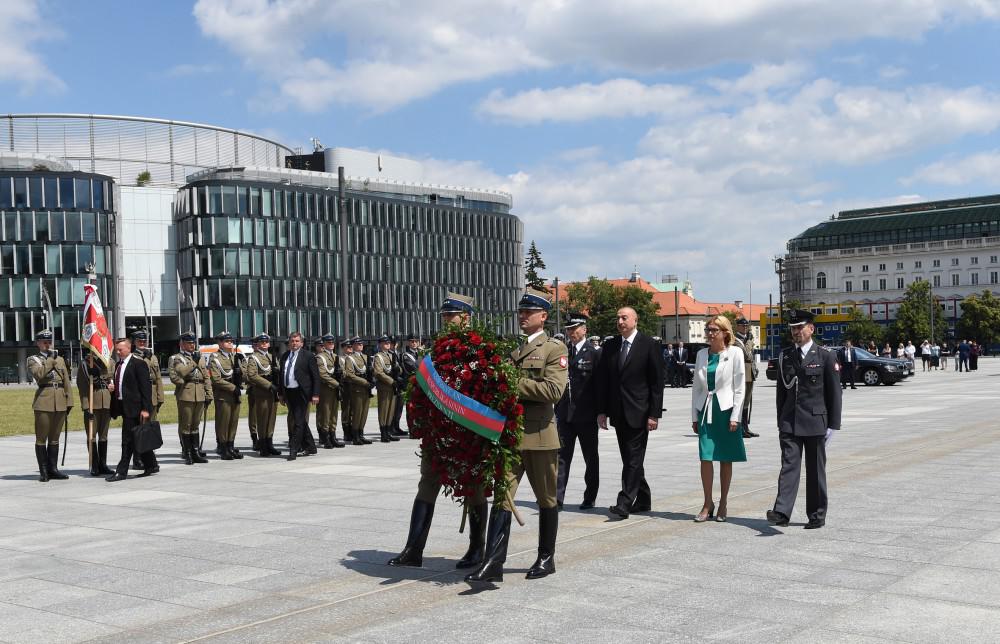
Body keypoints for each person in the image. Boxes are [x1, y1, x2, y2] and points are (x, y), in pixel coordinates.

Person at [467, 288, 568, 582]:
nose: (522, 316)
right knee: (503, 497)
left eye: (528, 312)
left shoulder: (554, 350)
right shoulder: (514, 351)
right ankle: (493, 563)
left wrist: (511, 381)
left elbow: (553, 391)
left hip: (539, 436)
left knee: (547, 498)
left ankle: (546, 557)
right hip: (511, 437)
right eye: (520, 312)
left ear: (543, 316)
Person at [390, 292, 490, 571]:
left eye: (452, 316)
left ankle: (476, 548)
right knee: (427, 483)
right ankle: (413, 549)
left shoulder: (478, 349)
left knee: (474, 489)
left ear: (466, 318)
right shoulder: (435, 351)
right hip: (438, 433)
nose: (447, 321)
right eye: (444, 316)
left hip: (468, 432)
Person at [767, 310, 842, 529]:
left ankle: (817, 514)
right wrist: (781, 419)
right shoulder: (785, 356)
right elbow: (782, 391)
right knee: (789, 466)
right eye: (793, 328)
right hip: (790, 420)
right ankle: (781, 511)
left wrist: (833, 425)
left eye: (800, 327)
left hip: (815, 420)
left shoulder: (825, 356)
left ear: (811, 329)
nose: (796, 332)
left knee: (815, 470)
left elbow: (834, 393)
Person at [595, 307, 666, 520]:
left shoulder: (649, 345)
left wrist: (654, 414)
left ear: (635, 320)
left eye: (624, 317)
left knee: (633, 459)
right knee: (630, 459)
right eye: (618, 318)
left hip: (640, 412)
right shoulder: (611, 345)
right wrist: (602, 411)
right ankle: (643, 498)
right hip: (618, 412)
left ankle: (624, 502)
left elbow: (657, 383)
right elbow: (604, 381)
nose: (620, 321)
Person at [691, 315, 746, 522]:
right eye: (708, 330)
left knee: (725, 457)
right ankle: (707, 502)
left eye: (714, 330)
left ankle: (723, 501)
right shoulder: (701, 355)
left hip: (726, 409)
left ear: (725, 332)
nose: (710, 334)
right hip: (706, 409)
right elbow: (696, 387)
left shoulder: (735, 353)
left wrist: (736, 416)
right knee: (705, 456)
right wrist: (694, 415)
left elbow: (740, 388)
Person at [555, 313, 602, 510]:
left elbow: (600, 386)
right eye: (568, 329)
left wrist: (601, 412)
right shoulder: (563, 353)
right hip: (565, 414)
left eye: (575, 329)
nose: (571, 332)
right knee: (561, 457)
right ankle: (557, 498)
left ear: (584, 329)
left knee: (590, 457)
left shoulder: (594, 353)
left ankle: (590, 496)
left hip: (586, 414)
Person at [106, 337, 156, 482]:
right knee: (139, 437)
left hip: (136, 408)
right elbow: (122, 384)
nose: (118, 352)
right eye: (116, 349)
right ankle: (151, 465)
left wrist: (146, 409)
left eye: (120, 349)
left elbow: (146, 389)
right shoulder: (118, 365)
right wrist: (113, 389)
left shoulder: (138, 364)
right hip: (123, 406)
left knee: (127, 440)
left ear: (129, 348)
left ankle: (121, 472)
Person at [28, 330, 74, 482]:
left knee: (55, 438)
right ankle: (44, 471)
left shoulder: (59, 359)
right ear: (38, 343)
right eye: (44, 342)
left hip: (60, 399)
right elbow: (40, 375)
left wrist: (69, 401)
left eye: (49, 342)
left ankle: (53, 469)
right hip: (44, 400)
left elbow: (66, 381)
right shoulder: (33, 360)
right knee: (42, 438)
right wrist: (50, 360)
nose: (47, 345)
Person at [167, 331, 212, 465]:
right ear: (182, 344)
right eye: (188, 343)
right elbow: (182, 372)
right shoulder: (178, 358)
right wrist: (194, 362)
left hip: (200, 393)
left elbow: (206, 377)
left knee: (195, 424)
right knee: (186, 425)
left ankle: (195, 451)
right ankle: (187, 453)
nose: (192, 345)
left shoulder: (200, 357)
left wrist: (209, 393)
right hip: (186, 393)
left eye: (193, 343)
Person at [278, 331, 320, 460]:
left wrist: (315, 394)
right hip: (289, 392)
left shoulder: (308, 356)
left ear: (301, 343)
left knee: (298, 422)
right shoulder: (284, 356)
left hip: (302, 392)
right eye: (292, 341)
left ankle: (294, 449)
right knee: (300, 420)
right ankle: (311, 447)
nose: (294, 343)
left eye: (297, 341)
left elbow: (316, 377)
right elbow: (281, 375)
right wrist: (280, 393)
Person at [77, 350, 114, 476]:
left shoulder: (110, 362)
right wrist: (86, 406)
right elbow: (82, 386)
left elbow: (112, 379)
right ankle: (94, 465)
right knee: (92, 436)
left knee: (104, 435)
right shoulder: (86, 363)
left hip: (107, 402)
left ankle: (103, 464)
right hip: (93, 403)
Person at [244, 333, 282, 456]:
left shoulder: (272, 357)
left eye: (266, 342)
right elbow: (252, 375)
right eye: (262, 342)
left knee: (271, 419)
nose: (264, 344)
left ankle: (270, 443)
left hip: (273, 393)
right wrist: (268, 385)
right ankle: (263, 445)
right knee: (262, 419)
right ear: (258, 344)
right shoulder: (254, 358)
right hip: (262, 392)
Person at [208, 331, 244, 460]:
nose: (230, 343)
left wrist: (241, 370)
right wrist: (232, 387)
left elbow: (242, 376)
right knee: (223, 422)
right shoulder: (215, 358)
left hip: (235, 395)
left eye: (231, 341)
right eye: (227, 341)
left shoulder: (233, 356)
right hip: (223, 395)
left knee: (233, 421)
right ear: (220, 343)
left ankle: (230, 446)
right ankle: (223, 448)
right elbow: (216, 379)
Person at [131, 330, 163, 472]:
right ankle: (138, 459)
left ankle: (149, 459)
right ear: (134, 342)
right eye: (139, 341)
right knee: (140, 429)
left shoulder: (152, 356)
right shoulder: (133, 357)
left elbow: (158, 378)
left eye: (144, 341)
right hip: (140, 397)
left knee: (149, 429)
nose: (142, 343)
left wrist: (160, 396)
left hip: (153, 397)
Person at [314, 334, 345, 449]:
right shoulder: (320, 357)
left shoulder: (337, 357)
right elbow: (322, 374)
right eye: (328, 342)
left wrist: (341, 377)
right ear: (324, 344)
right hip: (326, 389)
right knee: (326, 413)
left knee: (334, 413)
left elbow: (343, 371)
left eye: (332, 342)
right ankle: (326, 438)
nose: (331, 344)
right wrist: (336, 384)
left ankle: (333, 436)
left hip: (335, 389)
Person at [342, 337, 373, 445]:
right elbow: (350, 374)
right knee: (357, 413)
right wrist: (364, 382)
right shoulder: (350, 359)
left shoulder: (366, 357)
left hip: (366, 389)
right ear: (353, 346)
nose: (360, 346)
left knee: (364, 412)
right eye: (358, 344)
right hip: (357, 389)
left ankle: (361, 434)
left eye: (361, 344)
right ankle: (355, 436)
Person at [733, 317, 758, 439]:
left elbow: (751, 357)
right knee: (742, 401)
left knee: (747, 401)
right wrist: (749, 342)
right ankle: (741, 428)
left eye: (746, 326)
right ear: (737, 326)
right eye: (743, 326)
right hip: (742, 374)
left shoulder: (746, 339)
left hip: (750, 374)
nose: (745, 328)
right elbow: (747, 355)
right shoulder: (735, 340)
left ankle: (745, 427)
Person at [373, 334, 401, 443]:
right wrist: (392, 381)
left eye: (389, 343)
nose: (387, 344)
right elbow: (378, 372)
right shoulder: (378, 357)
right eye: (385, 343)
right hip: (384, 387)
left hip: (392, 387)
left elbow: (399, 369)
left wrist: (397, 370)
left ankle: (388, 431)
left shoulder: (392, 355)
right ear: (380, 344)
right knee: (384, 410)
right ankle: (383, 433)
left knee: (390, 410)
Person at [399, 334, 421, 438]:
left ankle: (420, 429)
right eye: (412, 341)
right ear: (408, 343)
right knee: (411, 408)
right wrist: (421, 357)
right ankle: (413, 430)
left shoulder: (421, 354)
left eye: (416, 341)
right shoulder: (406, 355)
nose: (414, 343)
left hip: (421, 384)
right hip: (410, 384)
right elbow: (413, 367)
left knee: (420, 407)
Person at [338, 339, 358, 443]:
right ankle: (346, 432)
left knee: (354, 410)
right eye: (347, 347)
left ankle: (354, 430)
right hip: (346, 386)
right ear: (343, 348)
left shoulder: (355, 358)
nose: (349, 349)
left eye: (351, 347)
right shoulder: (341, 359)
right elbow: (344, 373)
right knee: (346, 410)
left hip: (355, 386)